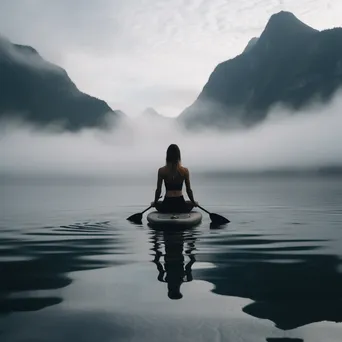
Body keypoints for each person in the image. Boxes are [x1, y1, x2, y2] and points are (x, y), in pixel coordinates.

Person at [152, 144, 198, 213]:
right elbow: (189, 190)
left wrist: (155, 202)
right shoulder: (185, 171)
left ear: (167, 156)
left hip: (167, 204)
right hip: (180, 204)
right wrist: (193, 202)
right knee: (189, 202)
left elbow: (158, 190)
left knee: (158, 203)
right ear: (179, 156)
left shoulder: (161, 171)